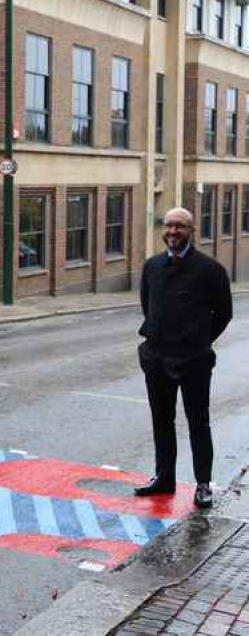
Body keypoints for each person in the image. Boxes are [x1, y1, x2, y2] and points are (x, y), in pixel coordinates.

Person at [134, 207, 232, 509]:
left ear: (191, 231)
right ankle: (164, 477)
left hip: (194, 360)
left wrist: (199, 339)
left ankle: (203, 484)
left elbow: (224, 314)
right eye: (169, 225)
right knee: (161, 421)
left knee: (197, 422)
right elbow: (147, 306)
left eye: (180, 226)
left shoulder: (211, 269)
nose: (173, 231)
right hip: (157, 358)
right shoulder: (151, 266)